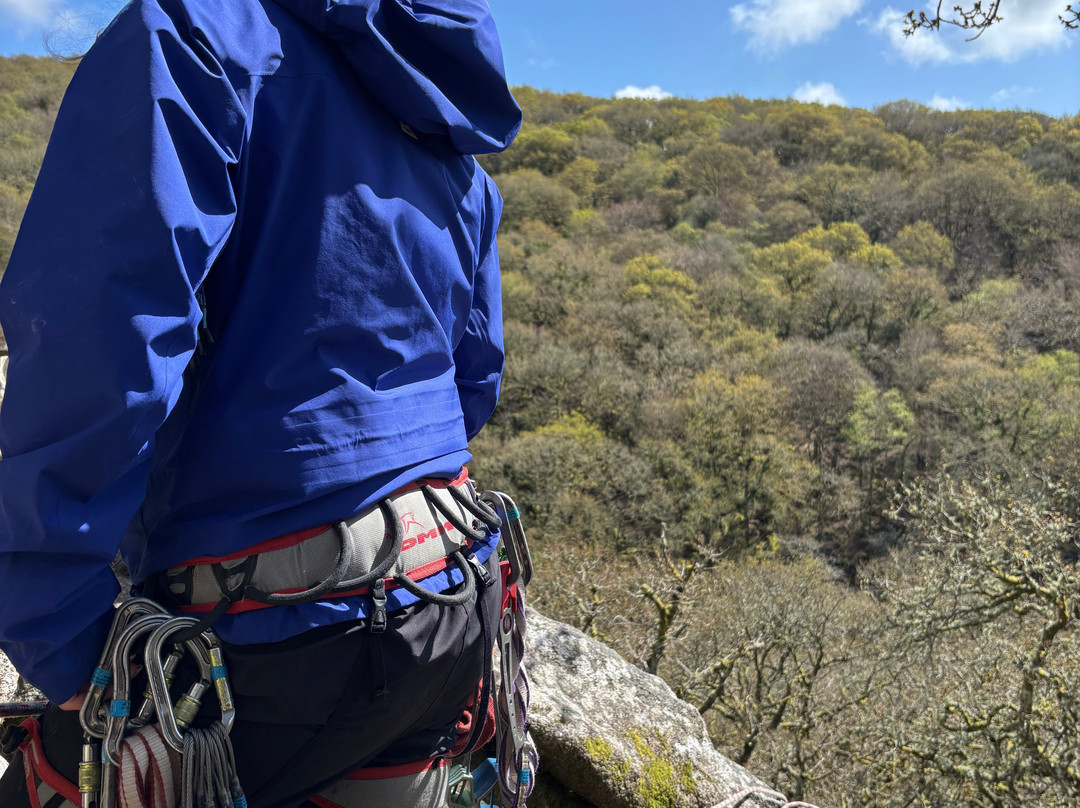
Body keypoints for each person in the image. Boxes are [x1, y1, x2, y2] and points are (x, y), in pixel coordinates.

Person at [0, 0, 521, 805]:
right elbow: (473, 380)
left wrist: (56, 628)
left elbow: (99, 333)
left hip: (278, 625)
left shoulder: (193, 33)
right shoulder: (445, 125)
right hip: (451, 591)